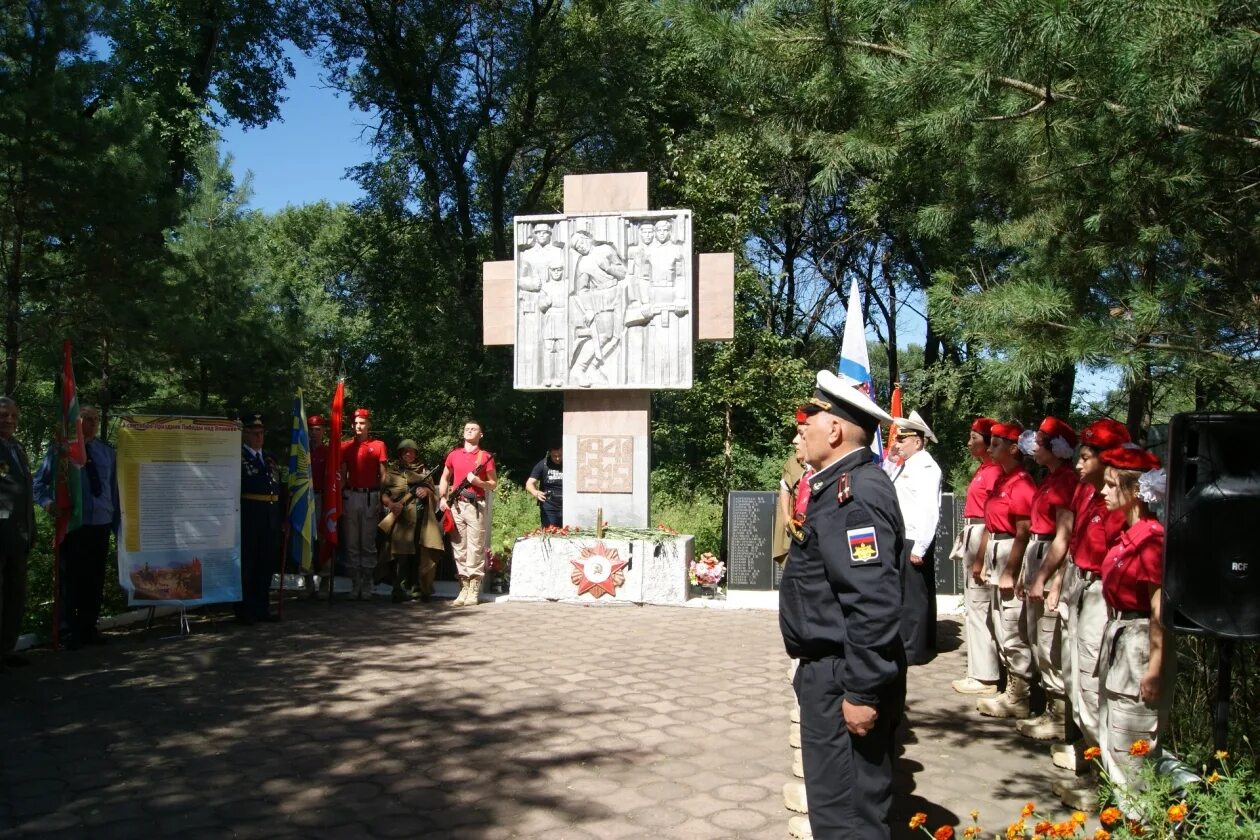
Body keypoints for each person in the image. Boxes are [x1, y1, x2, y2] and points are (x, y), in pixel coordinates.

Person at [780, 370, 904, 840]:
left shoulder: (855, 494)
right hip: (833, 670)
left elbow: (872, 601)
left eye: (806, 421)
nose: (800, 431)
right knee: (836, 807)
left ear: (833, 429)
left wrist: (862, 692)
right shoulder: (839, 484)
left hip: (844, 676)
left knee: (848, 817)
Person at [1050, 418, 1131, 808]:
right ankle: (1092, 764)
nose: (1079, 465)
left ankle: (1108, 783)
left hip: (1102, 595)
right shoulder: (1086, 491)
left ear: (1108, 459)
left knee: (1094, 685)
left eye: (1086, 457)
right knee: (1077, 681)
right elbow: (1072, 541)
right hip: (1079, 585)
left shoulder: (1122, 505)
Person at [1096, 446, 1170, 809]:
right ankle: (1126, 816)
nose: (1103, 491)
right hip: (1119, 634)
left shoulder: (1152, 540)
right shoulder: (1128, 534)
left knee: (1133, 742)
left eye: (1112, 485)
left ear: (1136, 491)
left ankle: (1143, 819)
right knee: (1112, 736)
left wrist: (1154, 668)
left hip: (1139, 642)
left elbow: (1159, 610)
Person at [33, 406, 120, 647]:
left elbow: (114, 490)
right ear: (76, 422)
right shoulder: (61, 451)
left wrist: (117, 525)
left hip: (100, 524)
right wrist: (48, 504)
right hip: (73, 524)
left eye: (95, 419)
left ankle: (88, 627)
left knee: (94, 579)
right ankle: (67, 631)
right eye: (86, 419)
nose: (92, 423)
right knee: (70, 580)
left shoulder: (107, 452)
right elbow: (38, 484)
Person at [1016, 417, 1080, 741]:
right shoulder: (1049, 479)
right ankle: (1049, 709)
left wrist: (1048, 578)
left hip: (1049, 558)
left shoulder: (1066, 481)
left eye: (1041, 441)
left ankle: (1058, 714)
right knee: (1036, 636)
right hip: (1037, 552)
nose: (1033, 446)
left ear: (1057, 448)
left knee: (1049, 637)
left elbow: (1064, 537)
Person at [972, 422, 1037, 719]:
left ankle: (1020, 695)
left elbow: (1023, 531)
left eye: (996, 444)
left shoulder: (1022, 482)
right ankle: (1010, 688)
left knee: (1012, 625)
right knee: (1000, 623)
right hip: (997, 549)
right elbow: (989, 523)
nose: (990, 448)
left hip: (1010, 550)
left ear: (1013, 448)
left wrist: (1011, 570)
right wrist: (982, 558)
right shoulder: (1003, 480)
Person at [952, 417, 1004, 695]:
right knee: (975, 606)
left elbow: (991, 514)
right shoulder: (985, 468)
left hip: (982, 533)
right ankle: (978, 670)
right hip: (975, 531)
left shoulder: (994, 471)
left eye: (975, 438)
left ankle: (985, 676)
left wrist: (982, 555)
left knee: (980, 605)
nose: (969, 443)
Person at [888, 409, 942, 666]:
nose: (896, 443)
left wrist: (920, 546)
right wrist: (890, 458)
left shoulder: (927, 467)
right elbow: (887, 482)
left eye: (902, 439)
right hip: (903, 536)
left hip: (915, 537)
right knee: (906, 593)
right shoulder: (906, 466)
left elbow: (930, 509)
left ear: (917, 441)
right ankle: (911, 642)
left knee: (915, 596)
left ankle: (915, 649)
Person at [438, 420, 497, 607]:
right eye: (466, 429)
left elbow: (493, 484)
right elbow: (445, 477)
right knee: (458, 547)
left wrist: (478, 482)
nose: (469, 431)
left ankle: (473, 588)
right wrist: (442, 498)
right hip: (456, 506)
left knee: (475, 547)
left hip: (475, 506)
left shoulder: (484, 456)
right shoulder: (454, 455)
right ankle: (463, 586)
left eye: (474, 429)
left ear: (481, 435)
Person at [0, 397, 35, 670]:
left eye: (13, 415)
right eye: (3, 415)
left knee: (15, 595)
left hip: (19, 534)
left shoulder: (18, 448)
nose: (9, 420)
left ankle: (6, 649)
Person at [238, 412, 281, 624]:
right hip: (250, 517)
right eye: (254, 433)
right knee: (249, 565)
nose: (258, 437)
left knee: (266, 564)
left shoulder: (270, 458)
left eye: (261, 433)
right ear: (245, 435)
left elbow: (280, 490)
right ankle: (245, 609)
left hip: (270, 518)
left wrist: (283, 519)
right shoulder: (239, 458)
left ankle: (262, 607)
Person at [340, 408, 387, 600]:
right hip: (351, 496)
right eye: (356, 423)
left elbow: (383, 474)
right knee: (351, 542)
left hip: (370, 496)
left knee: (367, 542)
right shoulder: (345, 447)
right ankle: (355, 582)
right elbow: (342, 475)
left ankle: (367, 582)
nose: (358, 426)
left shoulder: (378, 445)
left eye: (362, 423)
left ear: (368, 425)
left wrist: (381, 497)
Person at [379, 440, 433, 602]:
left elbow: (433, 493)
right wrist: (391, 504)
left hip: (420, 518)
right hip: (400, 519)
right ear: (400, 454)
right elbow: (383, 494)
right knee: (400, 555)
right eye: (405, 452)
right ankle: (399, 588)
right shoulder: (393, 472)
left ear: (416, 454)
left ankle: (417, 587)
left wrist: (426, 492)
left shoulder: (424, 472)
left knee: (418, 554)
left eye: (411, 452)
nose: (408, 454)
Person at [773, 432, 808, 563]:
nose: (795, 441)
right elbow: (785, 488)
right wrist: (786, 517)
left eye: (801, 436)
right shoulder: (793, 463)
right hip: (799, 527)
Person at [306, 414, 329, 598]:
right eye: (311, 430)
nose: (314, 433)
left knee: (324, 539)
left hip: (322, 498)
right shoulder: (301, 452)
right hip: (305, 499)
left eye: (318, 430)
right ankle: (307, 582)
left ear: (323, 432)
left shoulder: (327, 452)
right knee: (305, 539)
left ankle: (324, 581)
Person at [526, 445, 563, 528]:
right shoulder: (543, 464)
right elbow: (529, 483)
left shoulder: (570, 463)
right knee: (550, 535)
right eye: (554, 456)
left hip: (568, 507)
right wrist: (535, 492)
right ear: (550, 453)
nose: (557, 458)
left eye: (560, 455)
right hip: (549, 508)